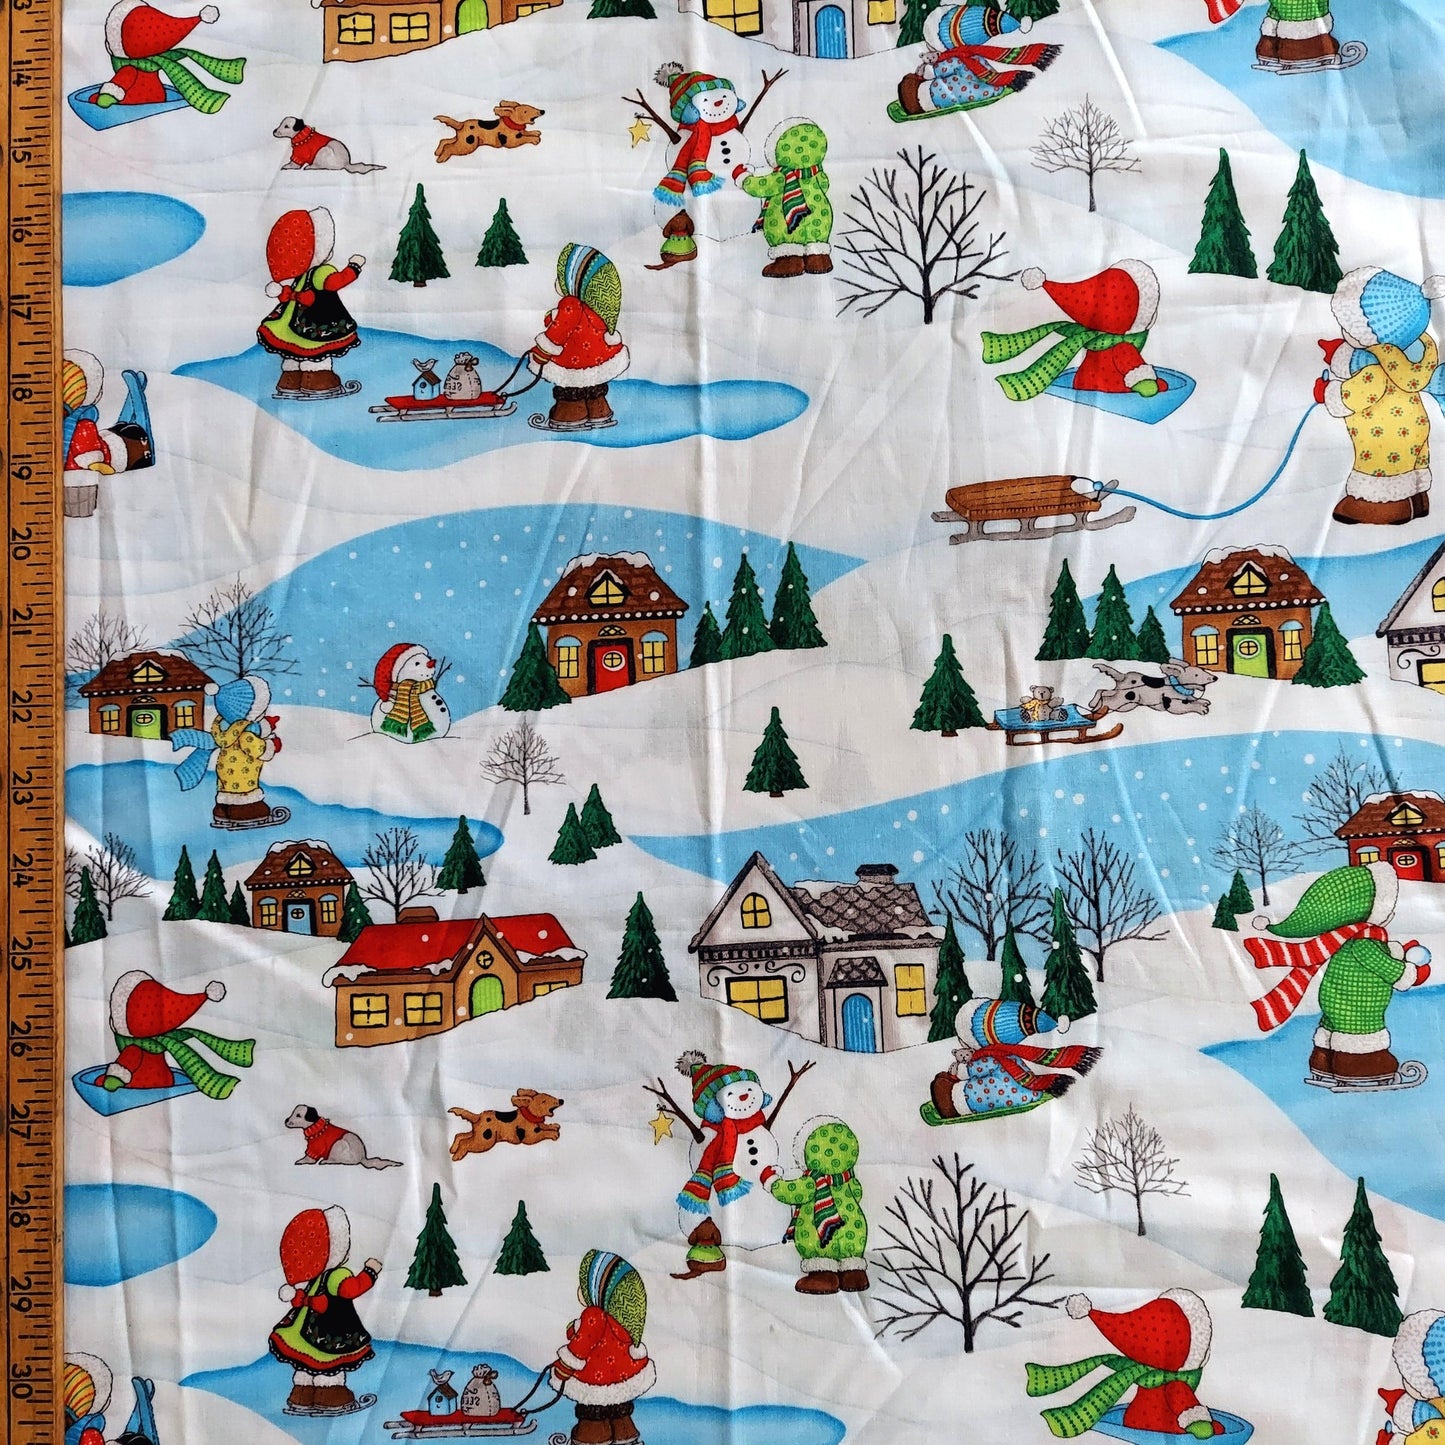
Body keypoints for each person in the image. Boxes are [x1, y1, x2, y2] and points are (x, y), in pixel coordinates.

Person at [1319, 268, 1444, 525]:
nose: (1345, 333)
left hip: (1383, 435)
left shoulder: (1376, 370)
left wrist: (1329, 393)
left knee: (1384, 468)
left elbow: (1354, 396)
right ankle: (1417, 498)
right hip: (1413, 426)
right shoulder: (1406, 360)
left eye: (1349, 328)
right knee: (1410, 463)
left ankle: (1389, 506)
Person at [270, 1206, 381, 1415]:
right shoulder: (336, 1275)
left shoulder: (316, 1277)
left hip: (305, 1330)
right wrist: (370, 1272)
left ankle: (302, 1393)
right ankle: (330, 1395)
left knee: (305, 1364)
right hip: (330, 1331)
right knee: (328, 1363)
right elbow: (351, 1289)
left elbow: (305, 1300)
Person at [549, 1250, 655, 1444]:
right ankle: (625, 1436)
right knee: (618, 1410)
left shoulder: (594, 1315)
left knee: (593, 1413)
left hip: (596, 1379)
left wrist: (564, 1368)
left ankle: (592, 1438)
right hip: (623, 1375)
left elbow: (580, 1347)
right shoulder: (623, 1319)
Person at [258, 207, 364, 398]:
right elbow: (335, 283)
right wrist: (354, 267)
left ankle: (290, 379)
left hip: (292, 321)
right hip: (316, 321)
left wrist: (283, 293)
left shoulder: (302, 274)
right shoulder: (321, 271)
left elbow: (291, 295)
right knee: (314, 350)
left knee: (293, 352)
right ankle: (317, 380)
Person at [528, 244, 630, 430]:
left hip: (574, 359)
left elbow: (559, 331)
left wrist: (543, 351)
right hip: (598, 356)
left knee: (571, 387)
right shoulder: (597, 307)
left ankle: (570, 415)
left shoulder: (571, 304)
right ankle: (599, 412)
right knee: (593, 387)